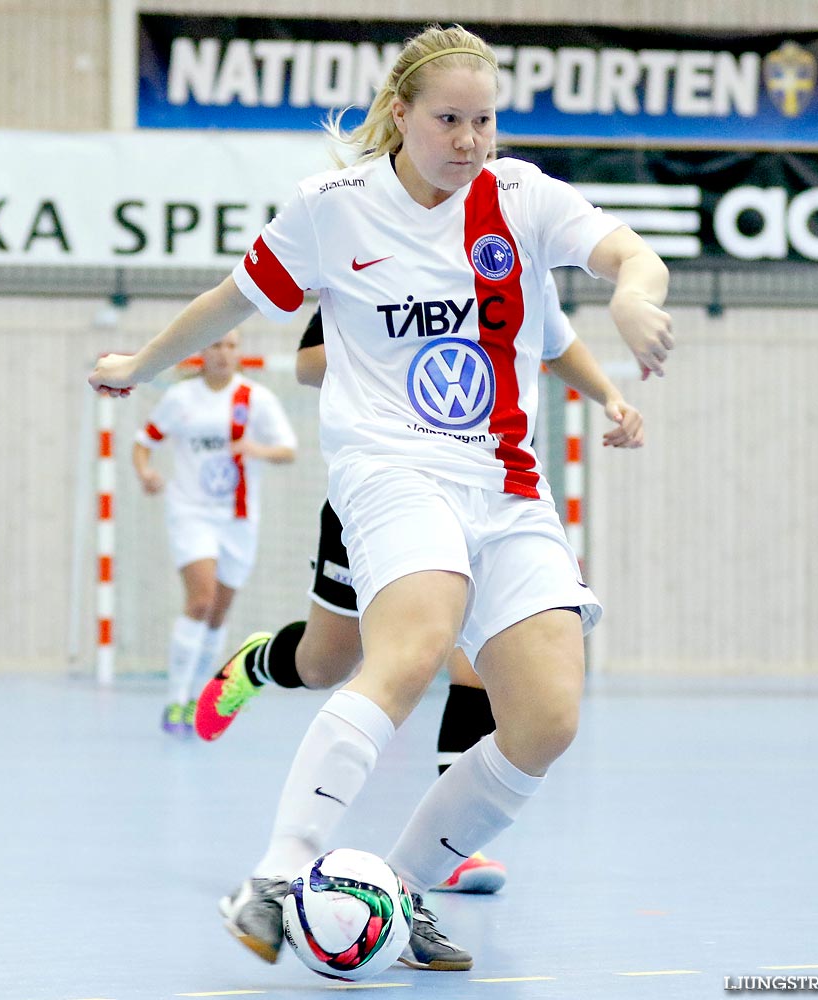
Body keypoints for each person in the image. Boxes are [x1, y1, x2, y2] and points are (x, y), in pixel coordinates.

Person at [90, 23, 672, 972]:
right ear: (400, 114)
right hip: (392, 470)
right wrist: (143, 366)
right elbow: (235, 297)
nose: (469, 140)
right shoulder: (333, 209)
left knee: (547, 720)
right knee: (396, 651)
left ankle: (396, 896)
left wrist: (637, 295)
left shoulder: (519, 197)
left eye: (484, 121)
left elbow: (625, 253)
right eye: (449, 120)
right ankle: (277, 876)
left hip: (507, 485)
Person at [193, 278, 646, 899]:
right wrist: (402, 348)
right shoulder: (377, 254)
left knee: (477, 668)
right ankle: (262, 662)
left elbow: (553, 337)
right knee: (326, 664)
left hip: (487, 493)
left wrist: (611, 396)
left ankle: (443, 859)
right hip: (387, 489)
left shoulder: (510, 241)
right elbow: (306, 364)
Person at [131, 329, 297, 735]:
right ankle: (174, 701)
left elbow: (288, 449)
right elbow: (143, 441)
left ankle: (198, 698)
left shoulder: (255, 399)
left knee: (219, 613)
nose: (223, 353)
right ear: (201, 351)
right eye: (215, 345)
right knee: (201, 600)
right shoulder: (180, 399)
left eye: (231, 346)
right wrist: (146, 472)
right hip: (190, 512)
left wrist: (256, 450)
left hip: (238, 519)